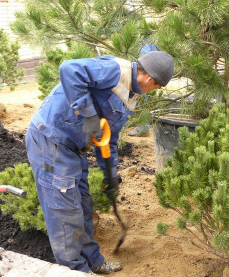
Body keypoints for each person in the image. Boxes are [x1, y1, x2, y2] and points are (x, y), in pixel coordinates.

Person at [25, 51, 174, 274]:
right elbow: (69, 69)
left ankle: (93, 261)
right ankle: (75, 271)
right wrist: (88, 115)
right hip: (50, 141)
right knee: (65, 211)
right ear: (151, 80)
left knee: (84, 205)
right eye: (157, 88)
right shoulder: (116, 70)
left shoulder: (131, 95)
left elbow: (108, 138)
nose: (154, 91)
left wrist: (110, 174)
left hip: (74, 147)